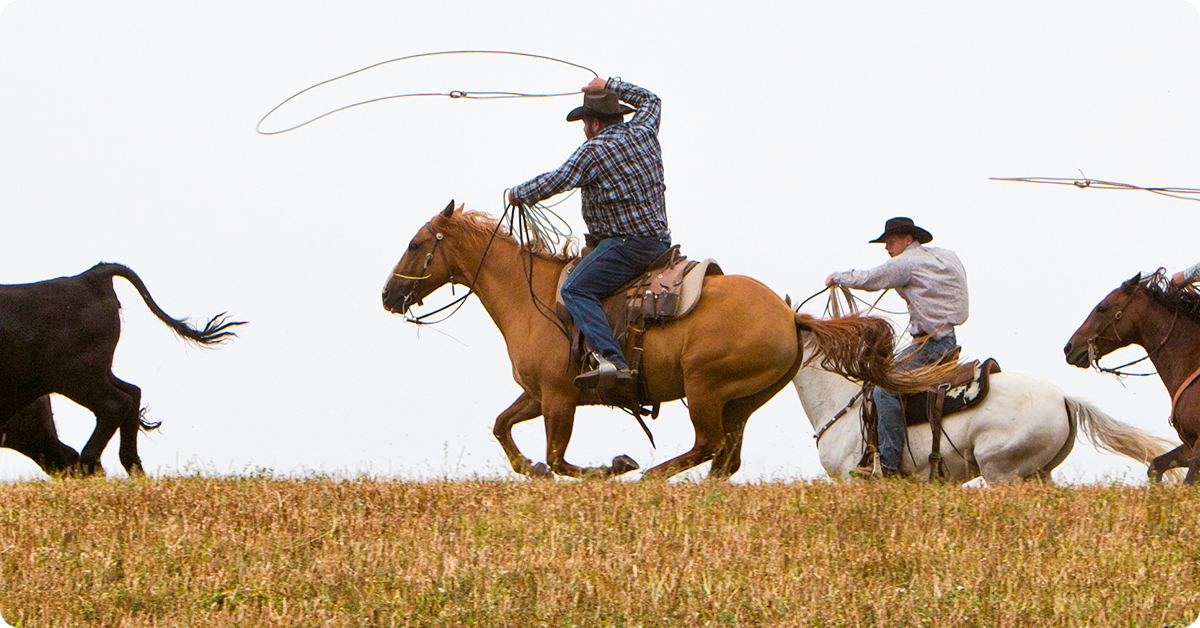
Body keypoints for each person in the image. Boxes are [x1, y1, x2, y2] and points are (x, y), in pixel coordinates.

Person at [507, 76, 671, 390]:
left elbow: (556, 180)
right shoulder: (644, 130)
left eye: (584, 122)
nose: (583, 129)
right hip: (659, 243)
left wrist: (518, 193)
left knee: (576, 290)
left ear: (594, 123)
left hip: (626, 246)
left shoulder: (592, 152)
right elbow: (652, 100)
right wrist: (609, 83)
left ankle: (612, 360)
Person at [825, 217, 969, 478]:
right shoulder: (946, 256)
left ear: (907, 240)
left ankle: (889, 464)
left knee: (885, 389)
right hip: (948, 341)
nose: (887, 248)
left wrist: (838, 278)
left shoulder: (906, 263)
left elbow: (870, 279)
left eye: (890, 242)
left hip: (928, 348)